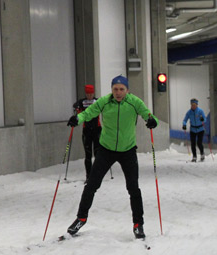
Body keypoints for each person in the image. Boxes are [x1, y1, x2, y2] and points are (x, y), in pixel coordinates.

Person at [66, 75, 159, 239]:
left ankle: (138, 224)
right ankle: (81, 218)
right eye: (115, 89)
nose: (118, 92)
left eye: (121, 89)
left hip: (128, 150)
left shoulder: (134, 102)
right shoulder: (103, 101)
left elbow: (147, 114)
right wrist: (77, 119)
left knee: (133, 188)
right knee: (91, 185)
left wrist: (152, 121)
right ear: (111, 90)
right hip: (106, 149)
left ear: (127, 90)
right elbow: (88, 113)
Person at [73, 85, 101, 182]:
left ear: (93, 93)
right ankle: (88, 176)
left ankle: (97, 176)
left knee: (97, 153)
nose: (89, 95)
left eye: (91, 93)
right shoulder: (82, 102)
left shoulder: (97, 101)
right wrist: (76, 108)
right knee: (88, 154)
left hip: (97, 130)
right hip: (87, 131)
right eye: (88, 94)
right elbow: (76, 108)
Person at [182, 98, 207, 162]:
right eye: (192, 105)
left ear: (197, 105)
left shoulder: (200, 111)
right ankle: (194, 156)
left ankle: (202, 154)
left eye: (194, 104)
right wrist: (184, 125)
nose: (193, 106)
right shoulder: (189, 112)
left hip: (200, 129)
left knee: (199, 143)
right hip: (193, 129)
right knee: (193, 144)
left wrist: (202, 119)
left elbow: (205, 119)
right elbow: (185, 120)